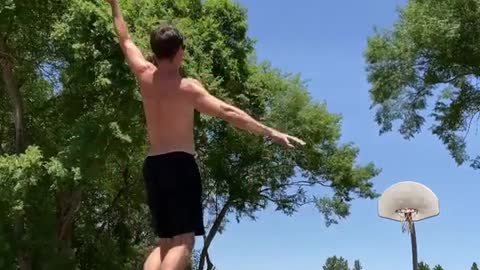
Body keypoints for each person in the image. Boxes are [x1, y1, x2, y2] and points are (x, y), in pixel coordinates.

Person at [105, 0, 305, 269]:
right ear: (178, 53)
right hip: (179, 164)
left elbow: (125, 38)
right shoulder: (188, 88)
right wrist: (271, 132)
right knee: (184, 241)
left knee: (164, 242)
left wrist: (115, 6)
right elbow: (228, 112)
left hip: (153, 166)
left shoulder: (144, 75)